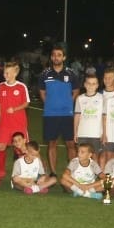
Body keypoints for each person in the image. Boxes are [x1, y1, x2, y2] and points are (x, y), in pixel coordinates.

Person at [40, 44, 81, 176]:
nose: (56, 57)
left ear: (64, 57)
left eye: (59, 55)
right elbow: (42, 92)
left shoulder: (71, 73)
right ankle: (53, 172)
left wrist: (68, 103)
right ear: (51, 57)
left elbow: (76, 91)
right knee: (52, 143)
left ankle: (72, 173)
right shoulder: (45, 74)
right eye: (54, 55)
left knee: (70, 144)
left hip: (67, 114)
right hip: (50, 115)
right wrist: (50, 104)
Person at [0, 60, 29, 180]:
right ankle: (1, 170)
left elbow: (26, 103)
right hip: (4, 123)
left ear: (15, 73)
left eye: (8, 73)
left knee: (20, 148)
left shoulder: (21, 87)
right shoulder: (1, 87)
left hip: (18, 123)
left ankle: (24, 170)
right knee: (1, 146)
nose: (5, 75)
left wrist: (15, 109)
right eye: (5, 73)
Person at [73, 73, 105, 165]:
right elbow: (77, 116)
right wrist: (75, 133)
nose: (91, 86)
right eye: (89, 83)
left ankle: (95, 174)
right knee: (82, 157)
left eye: (94, 83)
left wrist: (104, 133)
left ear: (97, 85)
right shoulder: (80, 98)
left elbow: (104, 117)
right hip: (82, 133)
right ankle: (82, 173)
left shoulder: (102, 98)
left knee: (95, 157)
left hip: (96, 134)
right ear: (85, 84)